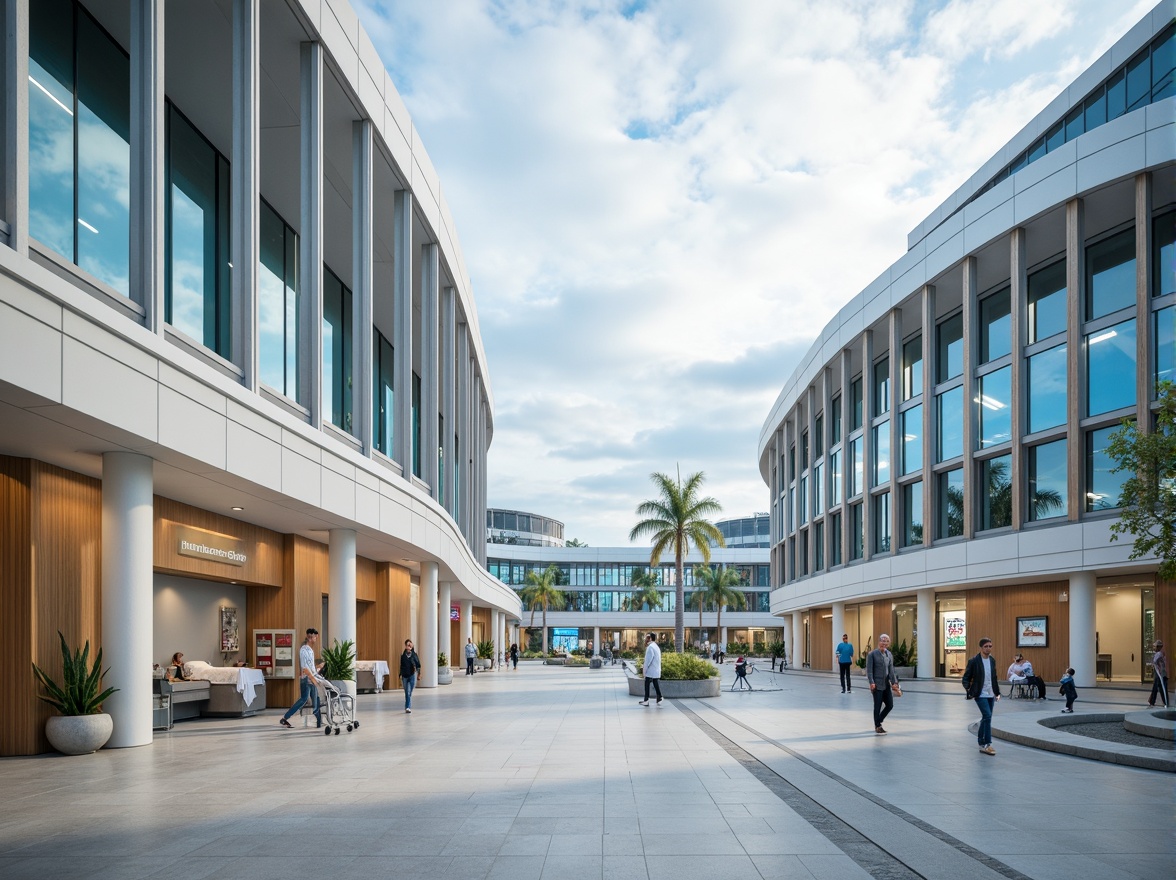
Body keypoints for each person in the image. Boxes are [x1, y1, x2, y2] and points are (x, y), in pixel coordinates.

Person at [962, 637, 1001, 756]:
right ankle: (987, 744)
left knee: (986, 718)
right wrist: (969, 690)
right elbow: (966, 677)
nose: (988, 648)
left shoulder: (992, 660)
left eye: (990, 646)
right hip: (980, 693)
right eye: (986, 646)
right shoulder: (974, 660)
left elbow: (994, 678)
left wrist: (997, 692)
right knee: (987, 716)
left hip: (990, 693)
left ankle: (981, 743)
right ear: (981, 647)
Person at [280, 628, 324, 729]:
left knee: (315, 698)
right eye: (315, 637)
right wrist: (313, 679)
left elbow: (310, 667)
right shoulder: (304, 650)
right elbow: (305, 668)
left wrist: (318, 667)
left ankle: (319, 722)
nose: (316, 639)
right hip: (307, 679)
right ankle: (285, 717)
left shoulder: (310, 650)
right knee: (305, 699)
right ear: (311, 636)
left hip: (311, 678)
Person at [866, 633, 898, 735]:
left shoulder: (889, 654)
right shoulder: (872, 654)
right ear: (879, 642)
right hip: (877, 684)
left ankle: (878, 720)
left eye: (886, 641)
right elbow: (869, 670)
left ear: (889, 643)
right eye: (882, 641)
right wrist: (871, 682)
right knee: (878, 705)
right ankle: (878, 726)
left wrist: (894, 682)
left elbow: (891, 670)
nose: (884, 643)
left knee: (890, 705)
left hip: (886, 684)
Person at [638, 632, 662, 706]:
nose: (646, 639)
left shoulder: (650, 647)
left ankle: (646, 700)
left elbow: (648, 660)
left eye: (648, 638)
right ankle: (659, 697)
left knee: (647, 683)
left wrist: (644, 669)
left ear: (651, 638)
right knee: (655, 682)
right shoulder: (656, 646)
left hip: (651, 669)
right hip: (656, 669)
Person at [400, 639, 421, 714]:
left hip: (412, 675)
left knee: (410, 691)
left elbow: (418, 665)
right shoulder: (403, 656)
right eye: (407, 645)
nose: (409, 647)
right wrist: (400, 674)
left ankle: (408, 704)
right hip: (405, 676)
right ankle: (407, 707)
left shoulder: (414, 655)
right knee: (407, 692)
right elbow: (401, 666)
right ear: (405, 646)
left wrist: (419, 674)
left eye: (410, 645)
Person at [1148, 640, 1168, 708]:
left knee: (1160, 687)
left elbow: (1154, 661)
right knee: (1156, 687)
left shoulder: (1159, 654)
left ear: (1159, 647)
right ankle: (1152, 701)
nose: (1154, 648)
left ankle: (1165, 702)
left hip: (1160, 674)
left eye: (1155, 646)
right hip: (1158, 673)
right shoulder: (1159, 653)